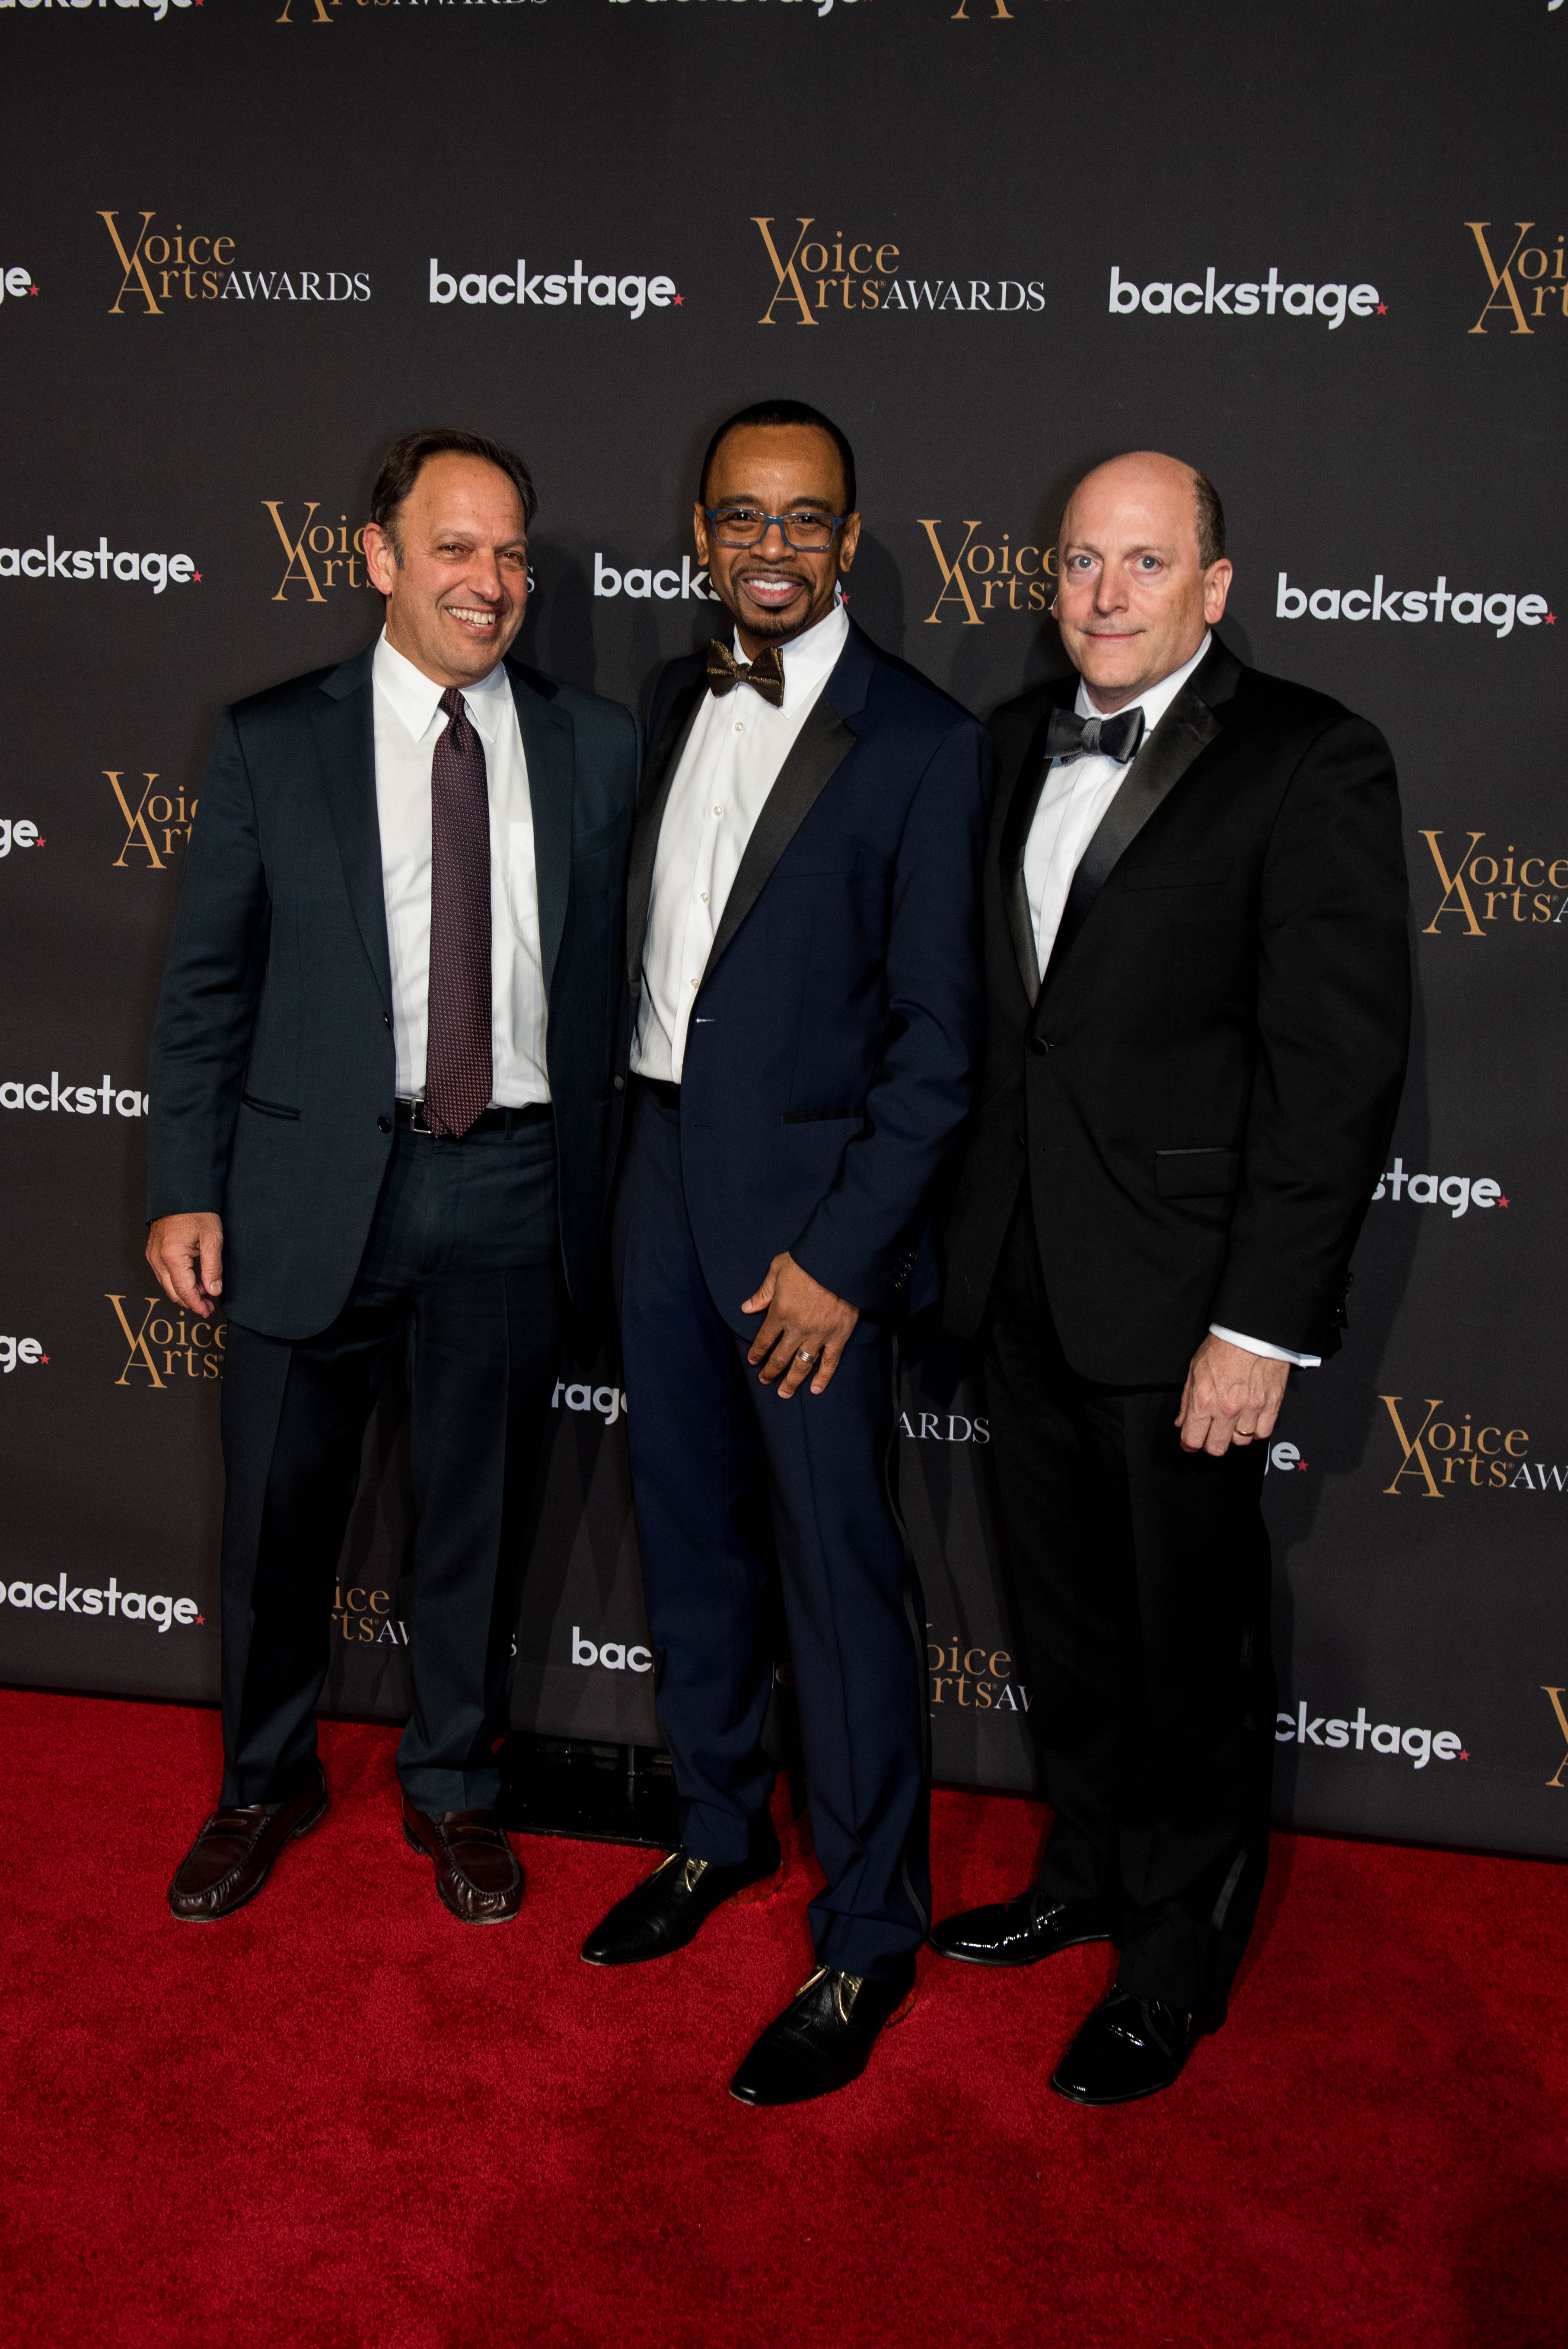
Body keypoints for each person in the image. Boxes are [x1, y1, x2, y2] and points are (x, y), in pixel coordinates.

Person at [937, 452, 1409, 2102]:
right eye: (1081, 560)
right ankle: (1083, 1872)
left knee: (1190, 1651)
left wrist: (1258, 1323)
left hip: (1188, 1302)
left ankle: (1175, 1959)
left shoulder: (1309, 756)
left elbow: (1333, 1074)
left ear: (1214, 586)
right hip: (1016, 1277)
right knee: (1065, 1622)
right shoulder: (1005, 742)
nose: (1106, 592)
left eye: (1145, 562)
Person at [147, 428, 639, 1927]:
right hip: (307, 1191)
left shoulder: (595, 742)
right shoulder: (270, 739)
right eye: (455, 547)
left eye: (511, 554)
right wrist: (184, 1182)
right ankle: (262, 1780)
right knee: (276, 1518)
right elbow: (207, 985)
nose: (489, 581)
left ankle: (454, 1785)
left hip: (514, 1181)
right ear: (377, 557)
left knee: (477, 1520)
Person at [580, 399, 992, 2105]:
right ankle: (713, 1824)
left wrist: (841, 1256)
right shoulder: (669, 698)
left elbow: (939, 1048)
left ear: (848, 538)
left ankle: (871, 1931)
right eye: (742, 516)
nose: (772, 546)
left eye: (804, 518)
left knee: (834, 1572)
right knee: (686, 1535)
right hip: (653, 1179)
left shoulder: (924, 741)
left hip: (807, 1235)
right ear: (699, 532)